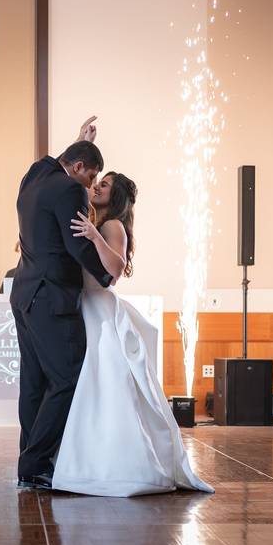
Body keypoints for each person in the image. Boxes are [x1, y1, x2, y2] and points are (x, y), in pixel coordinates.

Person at [53, 169, 213, 496]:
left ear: (117, 196)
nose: (97, 186)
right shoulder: (97, 220)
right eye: (98, 181)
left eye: (105, 184)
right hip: (85, 306)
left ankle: (116, 464)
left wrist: (95, 237)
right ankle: (86, 459)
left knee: (107, 385)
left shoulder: (112, 227)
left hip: (99, 308)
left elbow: (113, 270)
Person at [10, 117, 113, 489]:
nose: (88, 188)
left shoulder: (34, 175)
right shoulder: (69, 189)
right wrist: (105, 279)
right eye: (90, 178)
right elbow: (75, 243)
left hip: (23, 294)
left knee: (34, 383)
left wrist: (79, 142)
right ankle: (37, 463)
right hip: (52, 296)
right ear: (80, 169)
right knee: (68, 377)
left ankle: (30, 460)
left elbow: (59, 161)